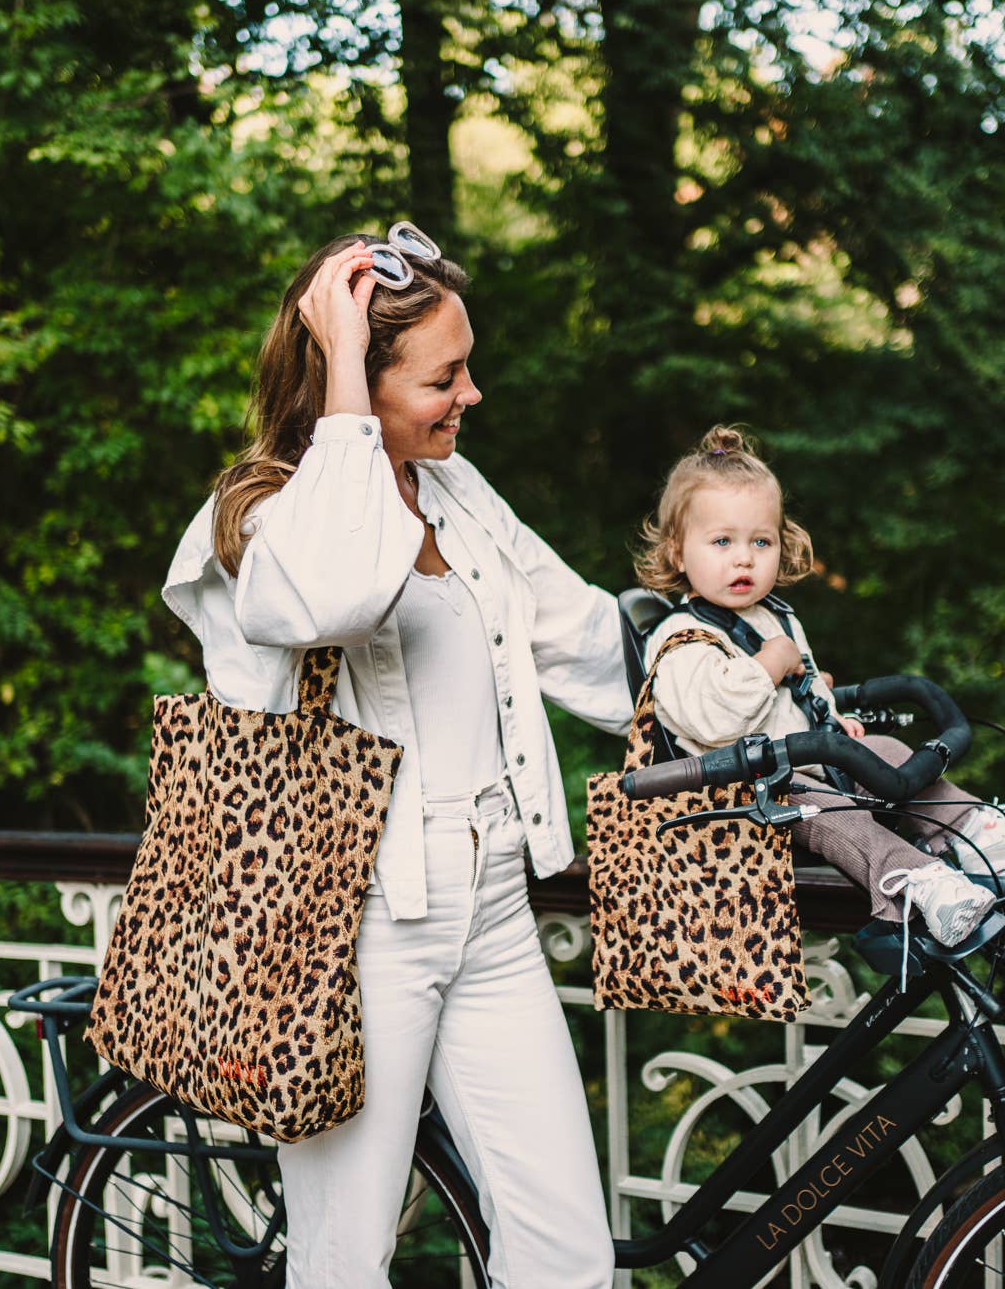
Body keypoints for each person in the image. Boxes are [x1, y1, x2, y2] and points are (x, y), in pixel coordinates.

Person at [159, 226, 622, 1288]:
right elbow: (329, 596)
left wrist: (743, 674)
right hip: (354, 924)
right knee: (346, 1259)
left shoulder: (457, 490)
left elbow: (583, 634)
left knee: (566, 1249)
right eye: (443, 377)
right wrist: (344, 393)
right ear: (354, 384)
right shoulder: (263, 515)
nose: (471, 395)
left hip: (495, 903)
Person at [635, 425, 1005, 949]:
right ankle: (914, 881)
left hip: (801, 761)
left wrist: (830, 717)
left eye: (761, 541)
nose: (744, 558)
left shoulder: (772, 616)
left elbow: (803, 687)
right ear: (678, 553)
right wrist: (772, 662)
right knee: (827, 808)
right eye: (722, 541)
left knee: (885, 751)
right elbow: (716, 718)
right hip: (740, 798)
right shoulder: (679, 638)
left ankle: (974, 829)